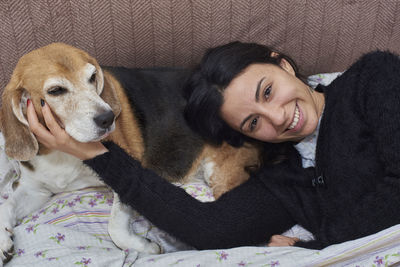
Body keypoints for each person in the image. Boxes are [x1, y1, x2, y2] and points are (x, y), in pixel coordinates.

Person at [26, 41, 400, 250]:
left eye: (267, 91)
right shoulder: (283, 177)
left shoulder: (371, 79)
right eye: (254, 122)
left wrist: (321, 245)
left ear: (283, 64)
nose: (279, 117)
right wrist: (98, 155)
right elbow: (207, 228)